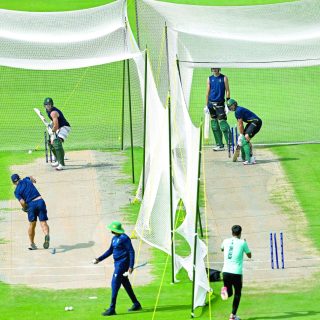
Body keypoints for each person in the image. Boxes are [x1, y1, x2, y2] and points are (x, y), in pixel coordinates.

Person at [93, 221, 142, 316]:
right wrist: (99, 259)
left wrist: (131, 266)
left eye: (112, 229)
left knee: (114, 284)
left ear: (116, 230)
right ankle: (136, 304)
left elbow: (131, 251)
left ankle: (112, 308)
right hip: (117, 264)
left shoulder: (125, 238)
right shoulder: (114, 238)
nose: (111, 230)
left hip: (122, 265)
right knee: (126, 284)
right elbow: (110, 251)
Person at [11, 174, 50, 250]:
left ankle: (32, 244)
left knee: (32, 225)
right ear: (19, 178)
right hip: (40, 201)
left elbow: (22, 202)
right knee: (43, 222)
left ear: (13, 182)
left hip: (31, 205)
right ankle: (46, 235)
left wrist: (25, 208)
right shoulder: (26, 179)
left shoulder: (17, 191)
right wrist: (33, 180)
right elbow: (30, 177)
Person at [220, 225, 251, 320]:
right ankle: (232, 316)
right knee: (237, 293)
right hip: (236, 273)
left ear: (232, 232)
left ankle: (224, 289)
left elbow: (222, 249)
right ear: (240, 233)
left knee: (229, 294)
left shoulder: (225, 241)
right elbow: (249, 255)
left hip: (225, 272)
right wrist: (244, 244)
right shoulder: (242, 243)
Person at [227, 99, 262, 165]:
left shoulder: (238, 111)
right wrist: (242, 135)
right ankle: (250, 158)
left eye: (231, 106)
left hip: (256, 122)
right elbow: (240, 124)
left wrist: (241, 134)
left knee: (246, 137)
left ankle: (249, 160)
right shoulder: (237, 110)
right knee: (244, 139)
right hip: (251, 122)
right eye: (229, 107)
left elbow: (240, 124)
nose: (230, 108)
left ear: (235, 104)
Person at [206, 67, 231, 151]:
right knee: (214, 125)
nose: (214, 69)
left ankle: (230, 144)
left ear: (219, 69)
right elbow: (207, 92)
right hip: (211, 103)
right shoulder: (209, 78)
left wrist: (227, 103)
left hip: (220, 104)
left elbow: (227, 90)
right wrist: (206, 105)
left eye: (216, 68)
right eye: (213, 68)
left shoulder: (224, 78)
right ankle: (220, 145)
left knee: (223, 124)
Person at [44, 97, 71, 171]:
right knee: (51, 143)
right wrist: (51, 125)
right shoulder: (47, 110)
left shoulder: (53, 112)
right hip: (59, 128)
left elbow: (56, 125)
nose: (48, 106)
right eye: (46, 105)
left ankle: (61, 164)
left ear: (52, 105)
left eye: (49, 105)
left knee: (57, 142)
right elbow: (54, 122)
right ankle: (58, 160)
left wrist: (52, 130)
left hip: (64, 127)